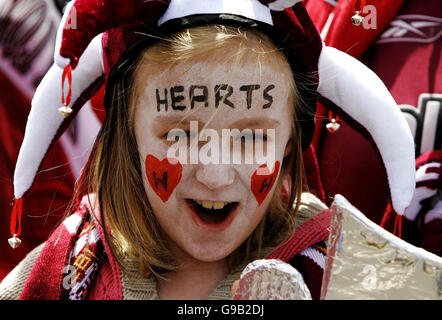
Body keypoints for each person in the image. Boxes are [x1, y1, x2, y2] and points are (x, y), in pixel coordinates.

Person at [0, 0, 415, 300]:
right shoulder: (67, 266)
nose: (215, 175)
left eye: (251, 139)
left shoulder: (346, 276)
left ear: (290, 143)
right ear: (128, 135)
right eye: (180, 137)